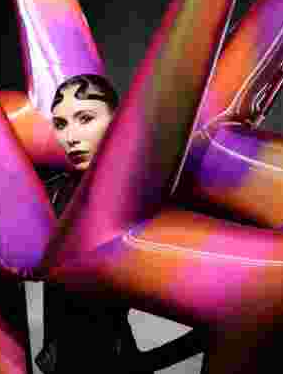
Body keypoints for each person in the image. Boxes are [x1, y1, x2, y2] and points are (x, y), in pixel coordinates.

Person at [36, 74, 206, 373]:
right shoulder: (54, 192)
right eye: (61, 124)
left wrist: (149, 362)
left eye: (85, 118)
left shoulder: (137, 196)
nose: (70, 136)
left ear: (117, 121)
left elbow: (220, 299)